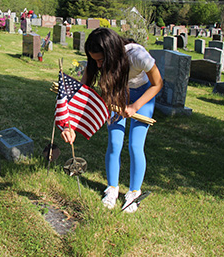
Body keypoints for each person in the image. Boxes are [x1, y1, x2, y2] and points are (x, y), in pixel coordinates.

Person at [61, 27, 163, 213]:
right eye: (95, 61)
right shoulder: (97, 64)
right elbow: (82, 93)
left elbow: (158, 84)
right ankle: (112, 189)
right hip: (118, 92)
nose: (98, 66)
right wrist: (70, 124)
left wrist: (134, 107)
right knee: (115, 143)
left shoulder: (138, 56)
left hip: (143, 94)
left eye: (101, 60)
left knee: (135, 145)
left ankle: (134, 193)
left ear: (112, 53)